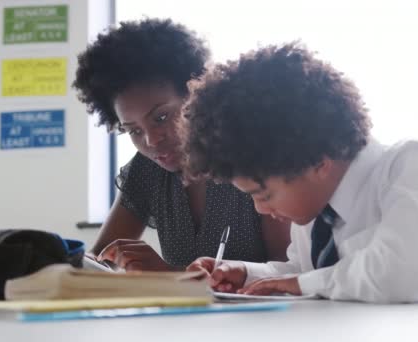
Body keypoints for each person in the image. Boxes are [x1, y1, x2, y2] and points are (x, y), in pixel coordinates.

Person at [182, 42, 418, 303]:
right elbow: (306, 272)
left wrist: (300, 284)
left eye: (264, 194)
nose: (261, 208)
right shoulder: (315, 207)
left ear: (318, 162)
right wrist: (245, 273)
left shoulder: (411, 164)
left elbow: (398, 276)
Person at [73, 18, 290, 271]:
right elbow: (98, 261)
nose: (152, 140)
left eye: (161, 117)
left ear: (195, 94)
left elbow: (289, 271)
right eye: (133, 130)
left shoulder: (249, 154)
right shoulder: (147, 170)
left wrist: (169, 275)